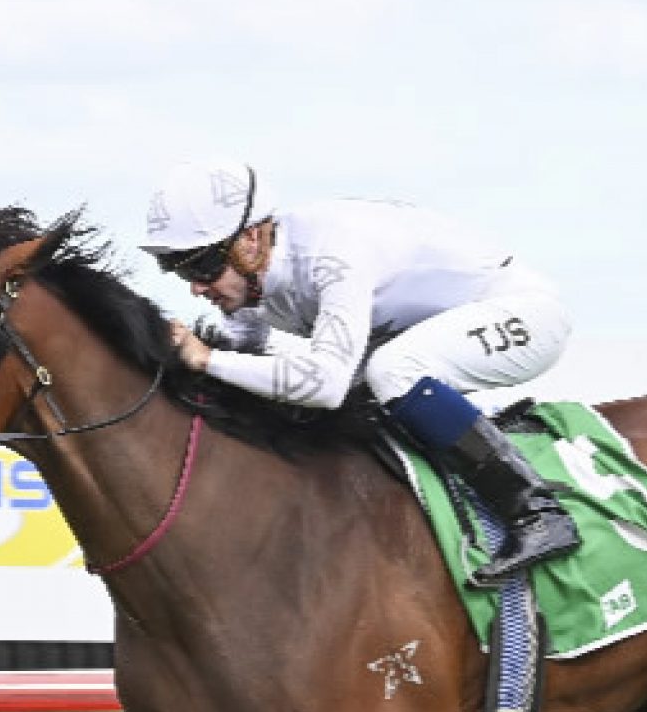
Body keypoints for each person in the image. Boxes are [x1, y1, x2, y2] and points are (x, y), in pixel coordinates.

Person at [140, 158, 578, 588]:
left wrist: (208, 360)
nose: (195, 287)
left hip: (524, 313)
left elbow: (325, 384)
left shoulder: (332, 255)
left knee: (391, 372)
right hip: (431, 331)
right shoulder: (250, 285)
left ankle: (536, 510)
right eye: (178, 269)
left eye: (201, 266)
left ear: (251, 240)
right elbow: (257, 370)